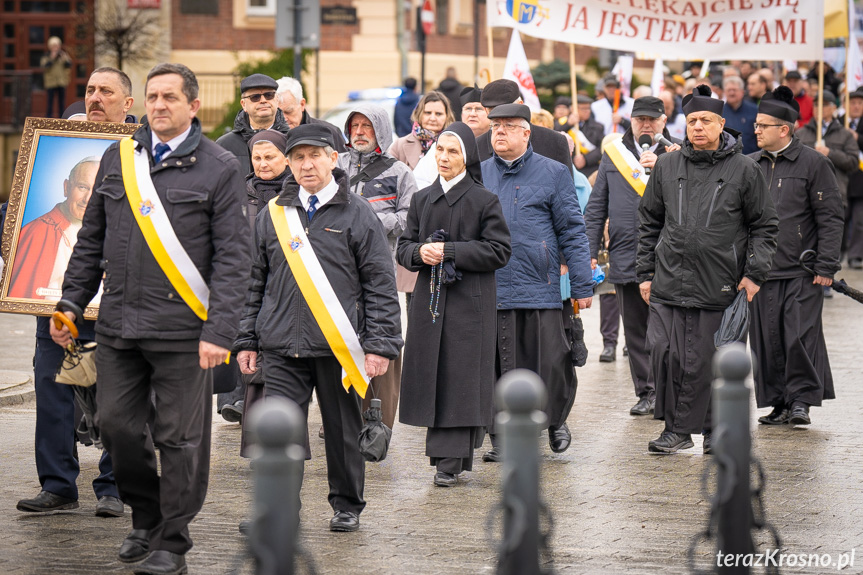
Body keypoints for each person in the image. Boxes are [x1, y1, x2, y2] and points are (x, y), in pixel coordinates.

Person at [51, 63, 251, 574]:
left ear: (192, 106)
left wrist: (220, 331)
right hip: (120, 326)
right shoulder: (119, 158)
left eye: (169, 97)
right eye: (152, 96)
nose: (159, 105)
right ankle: (147, 515)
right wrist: (71, 304)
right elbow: (90, 239)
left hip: (187, 334)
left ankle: (172, 542)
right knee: (115, 427)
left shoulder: (220, 167)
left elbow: (234, 259)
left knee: (179, 439)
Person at [235, 124, 402, 533]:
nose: (307, 165)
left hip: (337, 346)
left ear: (333, 158)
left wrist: (380, 345)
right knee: (279, 435)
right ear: (289, 163)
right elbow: (254, 281)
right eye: (298, 157)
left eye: (315, 156)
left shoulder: (358, 213)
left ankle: (347, 505)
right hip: (280, 346)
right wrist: (246, 339)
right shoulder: (274, 214)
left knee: (343, 432)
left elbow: (380, 284)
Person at [14, 67, 134, 519]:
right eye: (89, 90)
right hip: (57, 304)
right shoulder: (53, 145)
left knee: (118, 401)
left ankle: (114, 486)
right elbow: (21, 209)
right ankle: (58, 485)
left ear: (128, 106)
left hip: (119, 304)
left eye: (107, 91)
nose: (95, 98)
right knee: (54, 394)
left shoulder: (142, 155)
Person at [637, 84, 778, 455]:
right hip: (668, 279)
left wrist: (754, 274)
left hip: (721, 283)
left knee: (711, 360)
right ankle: (676, 429)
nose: (697, 127)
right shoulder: (667, 165)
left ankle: (715, 431)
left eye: (705, 120)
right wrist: (645, 273)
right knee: (665, 354)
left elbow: (764, 225)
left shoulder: (745, 169)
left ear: (721, 124)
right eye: (692, 120)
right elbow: (649, 221)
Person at [397, 121, 511, 487]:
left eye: (453, 152)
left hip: (469, 305)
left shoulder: (484, 199)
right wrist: (419, 252)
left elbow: (499, 250)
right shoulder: (421, 198)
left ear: (467, 158)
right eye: (440, 151)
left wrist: (449, 251)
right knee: (435, 374)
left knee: (461, 377)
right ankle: (449, 457)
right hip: (429, 302)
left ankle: (448, 461)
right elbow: (403, 248)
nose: (443, 158)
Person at [479, 104, 593, 462]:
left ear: (526, 133)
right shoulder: (478, 173)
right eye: (495, 126)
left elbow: (573, 230)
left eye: (508, 126)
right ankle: (501, 434)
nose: (499, 132)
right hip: (494, 283)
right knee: (499, 362)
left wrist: (582, 284)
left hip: (539, 283)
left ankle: (556, 420)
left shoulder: (554, 172)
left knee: (553, 361)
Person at [749, 87, 844, 426]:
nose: (755, 130)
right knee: (766, 339)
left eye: (762, 125)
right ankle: (778, 402)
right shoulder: (750, 164)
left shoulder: (815, 163)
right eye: (756, 125)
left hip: (803, 270)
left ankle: (801, 400)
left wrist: (826, 264)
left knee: (799, 337)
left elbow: (831, 216)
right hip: (759, 272)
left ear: (784, 129)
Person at [585, 96, 679, 416]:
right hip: (626, 252)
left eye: (652, 120)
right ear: (631, 121)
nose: (646, 125)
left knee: (664, 330)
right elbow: (597, 206)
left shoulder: (678, 152)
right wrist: (590, 251)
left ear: (664, 122)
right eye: (640, 119)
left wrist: (663, 168)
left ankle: (667, 390)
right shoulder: (614, 154)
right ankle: (647, 392)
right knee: (636, 330)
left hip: (668, 255)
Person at [337, 104, 417, 428]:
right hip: (338, 269)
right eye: (354, 126)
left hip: (378, 267)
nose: (359, 132)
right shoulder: (335, 165)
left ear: (380, 131)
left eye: (366, 126)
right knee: (340, 338)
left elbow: (411, 218)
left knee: (380, 340)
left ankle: (377, 419)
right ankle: (341, 414)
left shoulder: (399, 173)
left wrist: (370, 221)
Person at [236, 128, 293, 456]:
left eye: (269, 156)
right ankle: (258, 441)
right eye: (256, 158)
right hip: (248, 287)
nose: (262, 163)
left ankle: (281, 440)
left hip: (285, 289)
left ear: (285, 158)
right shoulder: (239, 193)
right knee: (252, 366)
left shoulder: (295, 194)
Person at [8, 157, 101, 300]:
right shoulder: (37, 231)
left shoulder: (114, 231)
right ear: (66, 187)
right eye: (82, 187)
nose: (88, 198)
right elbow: (23, 293)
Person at [476, 79, 573, 168]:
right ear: (486, 111)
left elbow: (565, 185)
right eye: (493, 111)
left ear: (520, 105)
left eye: (506, 110)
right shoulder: (476, 148)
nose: (500, 116)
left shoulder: (555, 143)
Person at [796, 90, 859, 215]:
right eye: (816, 105)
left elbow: (853, 162)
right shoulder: (800, 134)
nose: (819, 108)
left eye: (824, 104)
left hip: (834, 196)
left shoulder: (845, 134)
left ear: (833, 108)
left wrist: (830, 153)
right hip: (805, 196)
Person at [216, 73, 290, 176]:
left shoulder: (292, 140)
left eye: (269, 95)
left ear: (277, 100)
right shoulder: (224, 145)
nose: (263, 100)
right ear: (243, 104)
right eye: (255, 97)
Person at [275, 76, 346, 151]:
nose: (283, 118)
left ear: (302, 104)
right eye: (278, 113)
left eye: (289, 111)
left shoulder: (330, 132)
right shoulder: (268, 135)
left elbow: (344, 161)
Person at [389, 90, 454, 170]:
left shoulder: (455, 146)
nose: (432, 118)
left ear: (447, 117)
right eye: (428, 113)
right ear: (419, 114)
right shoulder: (399, 145)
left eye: (438, 114)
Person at [841, 88, 863, 269]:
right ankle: (839, 251)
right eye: (852, 103)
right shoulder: (838, 123)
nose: (856, 106)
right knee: (841, 216)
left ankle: (855, 255)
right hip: (841, 177)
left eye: (859, 103)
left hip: (861, 179)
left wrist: (858, 137)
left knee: (859, 220)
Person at [722, 76, 758, 155]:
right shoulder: (719, 112)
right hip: (727, 160)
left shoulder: (754, 110)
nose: (731, 93)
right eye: (729, 90)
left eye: (734, 90)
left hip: (752, 158)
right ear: (724, 92)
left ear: (742, 92)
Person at [40, 36, 72, 118]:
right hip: (51, 82)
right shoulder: (46, 56)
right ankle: (48, 119)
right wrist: (52, 58)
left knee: (62, 103)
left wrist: (65, 59)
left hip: (61, 82)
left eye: (57, 46)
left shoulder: (63, 55)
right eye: (54, 46)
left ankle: (62, 118)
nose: (56, 48)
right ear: (50, 47)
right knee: (50, 103)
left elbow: (69, 65)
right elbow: (44, 66)